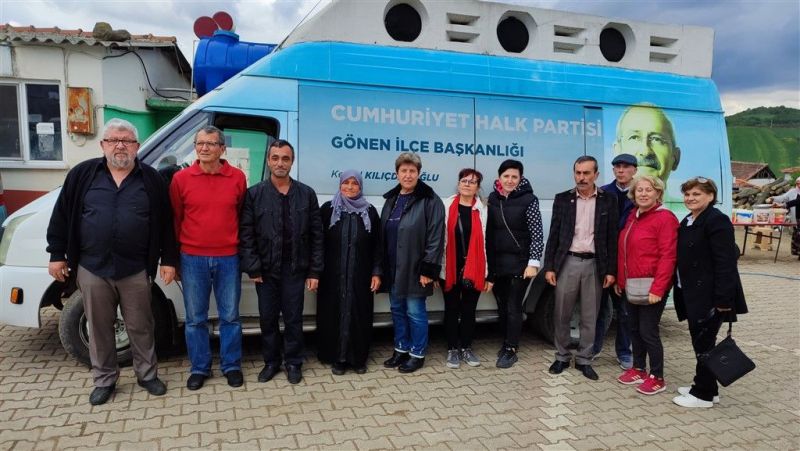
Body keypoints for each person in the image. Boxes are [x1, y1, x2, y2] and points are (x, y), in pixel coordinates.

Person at [46, 118, 177, 405]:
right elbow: (62, 215)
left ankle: (147, 375)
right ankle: (104, 380)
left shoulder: (152, 179)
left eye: (127, 140)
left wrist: (168, 259)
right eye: (114, 140)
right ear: (103, 145)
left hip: (135, 268)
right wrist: (56, 254)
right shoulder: (82, 175)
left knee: (141, 325)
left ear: (137, 146)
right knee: (99, 327)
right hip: (92, 267)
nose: (120, 146)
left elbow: (167, 223)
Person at [239, 139, 323, 385]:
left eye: (285, 158)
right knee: (267, 319)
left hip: (295, 269)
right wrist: (253, 266)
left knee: (293, 319)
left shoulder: (306, 194)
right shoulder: (254, 194)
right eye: (275, 158)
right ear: (268, 161)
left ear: (292, 162)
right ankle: (271, 362)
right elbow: (246, 234)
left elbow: (317, 235)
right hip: (265, 270)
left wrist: (314, 271)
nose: (280, 163)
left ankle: (294, 362)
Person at [170, 125, 247, 391]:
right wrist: (175, 259)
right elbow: (176, 219)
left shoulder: (237, 177)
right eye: (200, 143)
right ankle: (199, 368)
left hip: (229, 257)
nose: (204, 148)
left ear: (222, 149)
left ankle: (231, 365)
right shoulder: (181, 179)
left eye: (211, 144)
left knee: (230, 316)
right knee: (195, 319)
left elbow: (240, 214)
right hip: (192, 258)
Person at [672, 176, 748, 408]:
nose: (690, 198)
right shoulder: (689, 220)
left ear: (710, 196)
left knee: (704, 344)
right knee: (701, 342)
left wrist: (723, 299)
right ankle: (709, 389)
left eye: (696, 194)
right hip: (692, 293)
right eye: (687, 194)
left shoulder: (717, 220)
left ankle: (702, 394)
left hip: (710, 296)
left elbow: (726, 263)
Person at [544, 155, 618, 380]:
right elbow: (554, 235)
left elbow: (612, 237)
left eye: (586, 173)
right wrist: (550, 267)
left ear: (596, 175)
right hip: (568, 261)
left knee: (590, 316)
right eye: (578, 173)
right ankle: (562, 356)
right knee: (561, 313)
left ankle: (585, 359)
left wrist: (611, 270)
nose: (581, 177)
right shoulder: (563, 199)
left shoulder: (608, 200)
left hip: (595, 264)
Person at [380, 152, 445, 374]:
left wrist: (428, 269)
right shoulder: (391, 199)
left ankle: (417, 353)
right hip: (393, 268)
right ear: (397, 173)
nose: (407, 175)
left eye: (412, 171)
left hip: (416, 269)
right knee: (397, 310)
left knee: (415, 312)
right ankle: (401, 349)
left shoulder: (430, 200)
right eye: (403, 171)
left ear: (419, 173)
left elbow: (436, 238)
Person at [614, 175, 678, 395]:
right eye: (639, 190)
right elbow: (624, 252)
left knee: (648, 331)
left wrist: (658, 288)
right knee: (633, 328)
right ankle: (639, 368)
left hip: (652, 285)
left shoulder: (665, 218)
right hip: (632, 284)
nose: (643, 194)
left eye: (648, 190)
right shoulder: (633, 216)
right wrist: (621, 281)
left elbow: (668, 256)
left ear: (658, 193)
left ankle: (657, 377)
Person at [316, 170, 382, 375]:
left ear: (360, 187)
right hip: (332, 277)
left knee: (359, 315)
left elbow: (378, 245)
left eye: (355, 183)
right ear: (340, 185)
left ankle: (358, 358)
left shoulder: (370, 212)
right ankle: (337, 358)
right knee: (332, 315)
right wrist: (315, 272)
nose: (350, 187)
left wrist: (376, 272)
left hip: (360, 276)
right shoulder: (328, 209)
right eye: (346, 183)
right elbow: (317, 242)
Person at [485, 159, 543, 368]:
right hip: (498, 263)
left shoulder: (529, 199)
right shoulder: (493, 198)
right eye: (506, 176)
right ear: (499, 177)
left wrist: (533, 263)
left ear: (520, 178)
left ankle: (511, 349)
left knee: (513, 306)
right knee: (502, 305)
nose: (510, 180)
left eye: (514, 177)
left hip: (521, 263)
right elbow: (489, 233)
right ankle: (506, 342)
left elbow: (537, 234)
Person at [440, 168, 490, 369]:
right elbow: (438, 238)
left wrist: (489, 274)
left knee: (469, 310)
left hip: (475, 266)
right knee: (451, 309)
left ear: (478, 187)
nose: (468, 184)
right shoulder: (446, 206)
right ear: (458, 183)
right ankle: (453, 349)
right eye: (464, 180)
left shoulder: (483, 209)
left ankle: (467, 347)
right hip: (450, 266)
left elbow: (489, 242)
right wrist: (434, 269)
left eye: (473, 181)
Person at [594, 153, 637, 369]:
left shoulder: (640, 194)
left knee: (625, 311)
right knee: (599, 309)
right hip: (604, 260)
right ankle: (594, 348)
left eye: (626, 167)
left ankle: (624, 352)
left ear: (634, 170)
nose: (621, 170)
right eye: (617, 167)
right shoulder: (603, 192)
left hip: (627, 260)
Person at [613, 103, 680, 189]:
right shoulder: (602, 196)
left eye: (657, 139)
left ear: (676, 158)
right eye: (634, 137)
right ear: (617, 152)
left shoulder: (689, 197)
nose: (645, 151)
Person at [768, 177, 800, 259]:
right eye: (797, 183)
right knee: (797, 235)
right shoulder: (793, 192)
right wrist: (773, 198)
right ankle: (798, 253)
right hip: (796, 217)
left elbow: (796, 202)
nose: (799, 185)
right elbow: (783, 197)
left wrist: (783, 205)